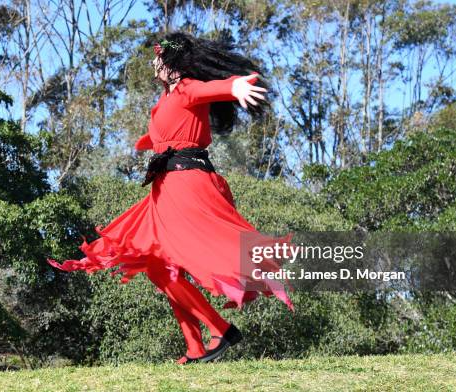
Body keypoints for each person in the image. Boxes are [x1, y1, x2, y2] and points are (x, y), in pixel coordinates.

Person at [48, 31, 294, 365]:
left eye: (158, 56)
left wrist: (235, 87)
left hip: (186, 184)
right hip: (165, 187)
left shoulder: (187, 89)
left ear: (172, 63)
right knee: (157, 264)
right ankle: (196, 345)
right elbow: (168, 132)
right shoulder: (165, 99)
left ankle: (220, 329)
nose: (153, 62)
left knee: (164, 262)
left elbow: (210, 89)